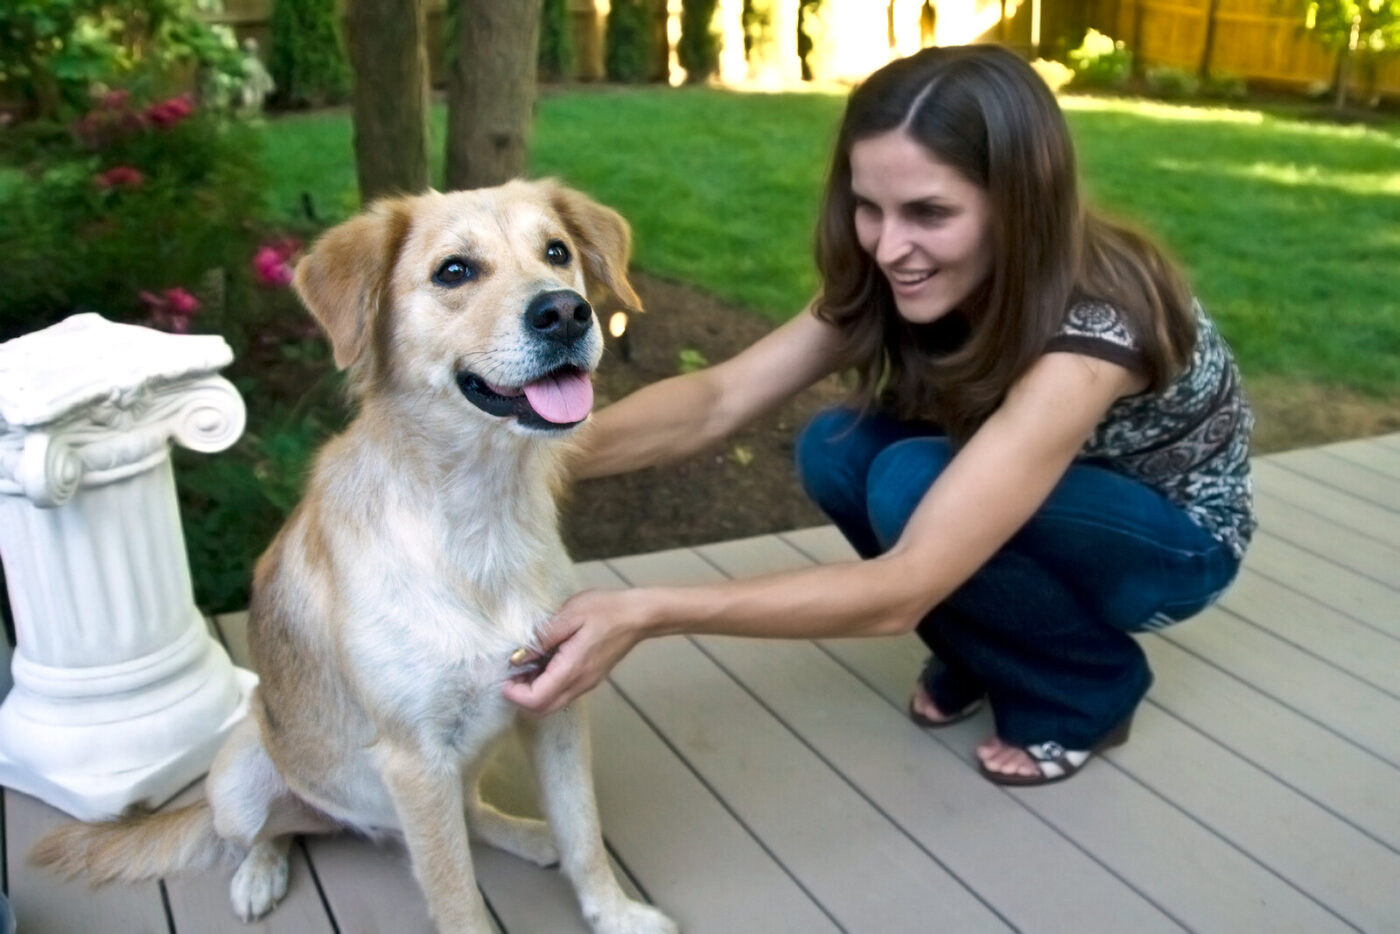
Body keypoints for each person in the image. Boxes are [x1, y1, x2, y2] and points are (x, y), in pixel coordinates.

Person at [503, 43, 1254, 786]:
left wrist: (646, 611)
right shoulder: (899, 272)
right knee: (837, 446)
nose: (891, 247)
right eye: (870, 207)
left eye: (929, 212)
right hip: (1040, 491)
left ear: (1020, 202)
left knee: (907, 482)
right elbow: (720, 398)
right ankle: (986, 643)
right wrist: (519, 448)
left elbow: (907, 586)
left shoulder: (1097, 325)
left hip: (1173, 542)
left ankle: (1088, 685)